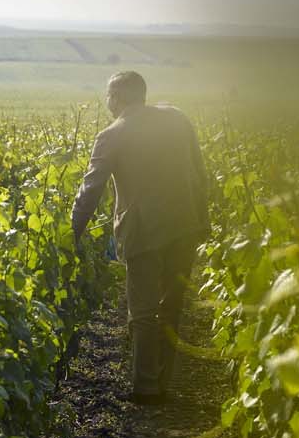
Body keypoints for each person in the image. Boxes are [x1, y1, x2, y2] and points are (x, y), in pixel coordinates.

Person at [71, 71, 210, 404]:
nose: (108, 102)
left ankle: (146, 387)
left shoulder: (112, 134)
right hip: (185, 224)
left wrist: (72, 232)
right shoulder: (177, 118)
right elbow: (199, 172)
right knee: (172, 305)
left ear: (117, 97)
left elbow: (91, 190)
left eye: (108, 96)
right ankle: (162, 380)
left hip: (144, 230)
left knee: (144, 310)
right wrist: (202, 219)